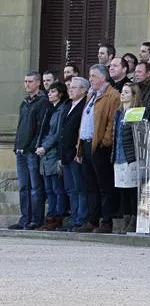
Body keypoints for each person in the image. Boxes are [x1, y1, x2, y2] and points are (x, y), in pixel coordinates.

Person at [75, 65, 121, 233]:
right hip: (87, 143)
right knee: (90, 186)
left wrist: (105, 142)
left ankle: (106, 221)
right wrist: (79, 148)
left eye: (93, 76)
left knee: (104, 186)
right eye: (90, 76)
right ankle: (92, 219)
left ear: (103, 77)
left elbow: (112, 121)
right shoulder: (91, 95)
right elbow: (85, 121)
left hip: (100, 146)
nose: (90, 79)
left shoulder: (113, 95)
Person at [10, 72, 49, 230]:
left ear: (38, 83)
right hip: (20, 150)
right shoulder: (24, 102)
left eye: (30, 81)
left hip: (31, 151)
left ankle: (36, 219)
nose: (27, 84)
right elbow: (20, 126)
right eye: (25, 81)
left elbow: (41, 127)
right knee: (23, 187)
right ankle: (24, 219)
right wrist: (16, 145)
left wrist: (34, 146)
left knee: (35, 187)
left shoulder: (42, 102)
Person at [35, 81, 69, 230]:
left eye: (53, 91)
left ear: (60, 94)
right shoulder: (50, 109)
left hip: (53, 152)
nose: (49, 93)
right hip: (45, 152)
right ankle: (51, 215)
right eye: (49, 91)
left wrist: (45, 146)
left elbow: (56, 133)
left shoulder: (61, 110)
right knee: (49, 188)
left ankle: (58, 216)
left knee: (57, 187)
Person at [59, 77, 89, 231]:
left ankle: (81, 218)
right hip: (65, 153)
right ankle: (74, 217)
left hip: (76, 153)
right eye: (70, 87)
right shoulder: (68, 105)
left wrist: (79, 150)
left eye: (74, 87)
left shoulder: (84, 106)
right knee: (70, 188)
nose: (70, 89)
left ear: (83, 90)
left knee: (80, 187)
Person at [112, 83, 142, 234]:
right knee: (123, 190)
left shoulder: (135, 112)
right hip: (118, 156)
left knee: (131, 190)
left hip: (130, 156)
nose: (122, 95)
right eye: (122, 92)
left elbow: (137, 135)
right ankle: (126, 220)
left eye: (126, 92)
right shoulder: (118, 113)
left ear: (134, 95)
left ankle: (134, 220)